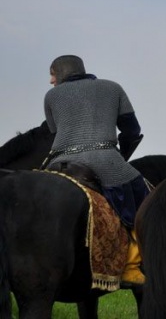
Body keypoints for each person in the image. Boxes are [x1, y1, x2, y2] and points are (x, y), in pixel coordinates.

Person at [43, 54, 149, 285]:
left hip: (58, 165)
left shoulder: (51, 96)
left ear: (61, 72)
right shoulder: (113, 88)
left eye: (52, 74)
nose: (51, 81)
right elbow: (132, 130)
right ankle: (132, 266)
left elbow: (54, 132)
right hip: (105, 159)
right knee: (143, 205)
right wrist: (121, 156)